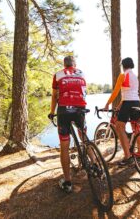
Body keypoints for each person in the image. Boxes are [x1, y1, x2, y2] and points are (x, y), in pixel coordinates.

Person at [48, 56, 87, 193]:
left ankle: (67, 182)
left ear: (64, 65)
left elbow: (54, 96)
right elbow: (83, 92)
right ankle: (95, 166)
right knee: (84, 138)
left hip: (64, 110)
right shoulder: (81, 73)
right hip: (80, 109)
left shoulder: (58, 75)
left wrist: (52, 112)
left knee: (64, 146)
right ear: (74, 64)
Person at [104, 57, 140, 166]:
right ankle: (139, 151)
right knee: (136, 127)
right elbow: (129, 93)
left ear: (123, 66)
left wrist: (107, 104)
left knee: (119, 127)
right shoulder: (135, 76)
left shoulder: (123, 75)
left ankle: (127, 156)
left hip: (128, 103)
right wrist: (120, 105)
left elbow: (115, 92)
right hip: (136, 102)